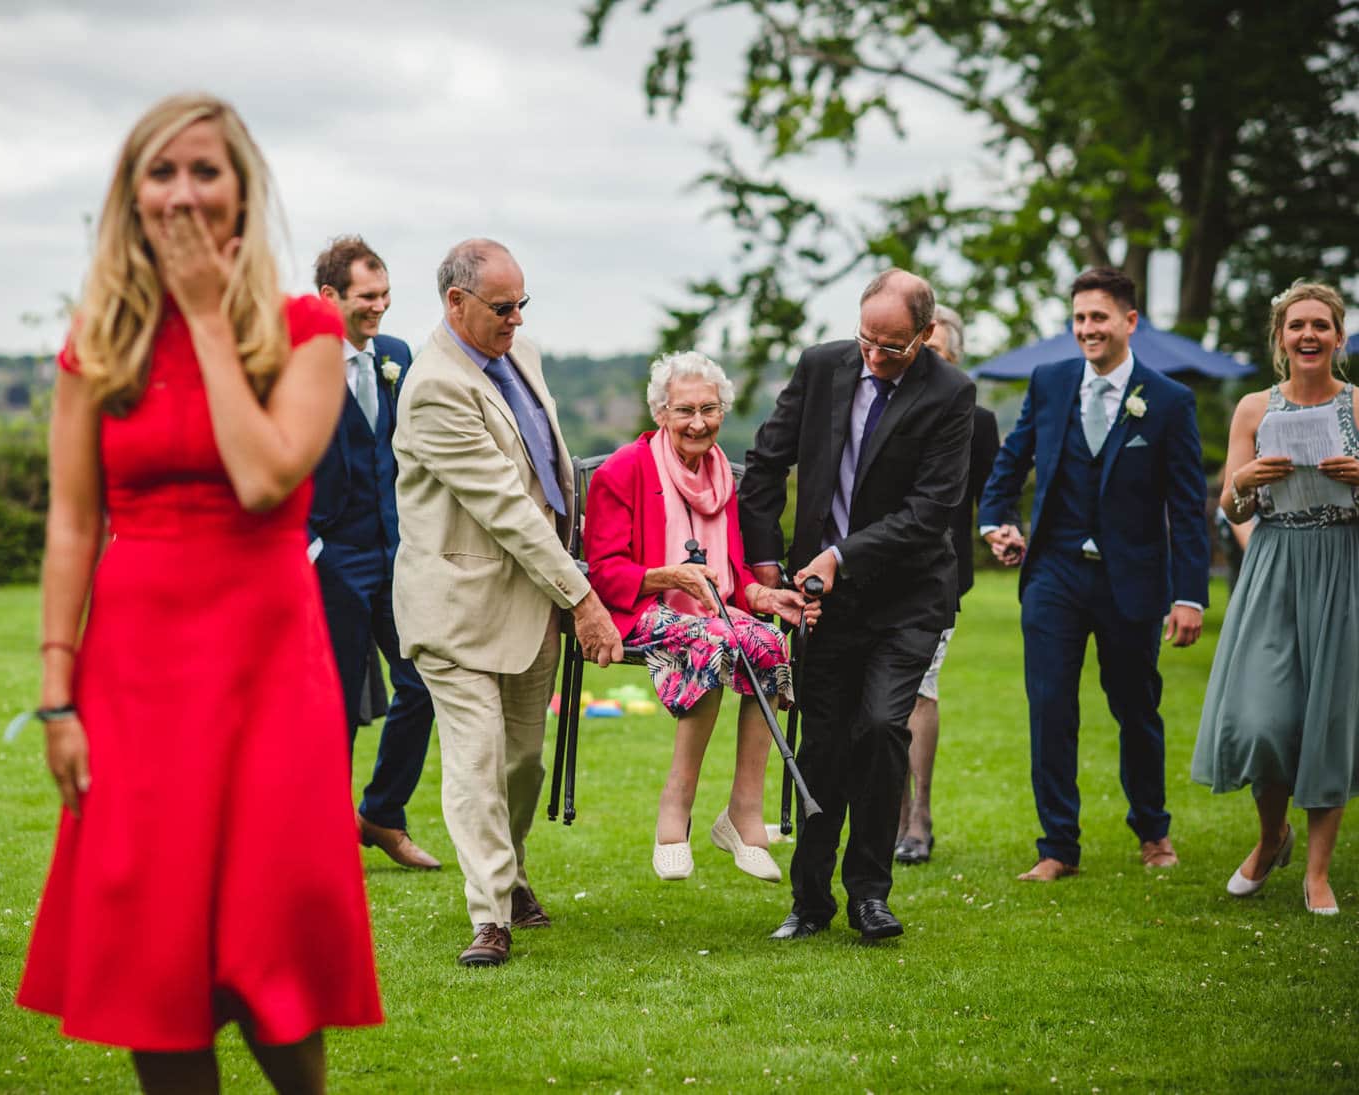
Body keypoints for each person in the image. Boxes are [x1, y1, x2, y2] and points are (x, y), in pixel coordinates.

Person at [15, 94, 382, 1093]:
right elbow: (70, 523)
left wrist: (210, 318)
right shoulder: (100, 337)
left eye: (204, 171)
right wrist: (56, 693)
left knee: (265, 932)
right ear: (131, 197)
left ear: (241, 191)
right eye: (160, 172)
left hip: (266, 658)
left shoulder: (304, 330)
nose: (182, 193)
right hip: (134, 666)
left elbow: (266, 476)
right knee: (152, 937)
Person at [391, 238, 621, 967]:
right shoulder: (432, 386)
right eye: (502, 307)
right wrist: (582, 594)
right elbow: (506, 506)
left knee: (523, 763)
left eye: (523, 303)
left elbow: (552, 474)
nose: (517, 318)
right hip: (454, 605)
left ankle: (514, 869)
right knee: (478, 758)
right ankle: (490, 914)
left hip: (529, 600)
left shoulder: (522, 355)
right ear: (455, 303)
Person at [741, 269, 974, 942]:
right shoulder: (821, 367)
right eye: (867, 339)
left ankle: (871, 892)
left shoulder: (951, 393)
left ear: (927, 334)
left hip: (907, 598)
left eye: (893, 346)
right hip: (821, 604)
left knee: (879, 728)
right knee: (822, 744)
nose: (875, 356)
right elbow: (763, 465)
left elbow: (930, 511)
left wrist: (840, 558)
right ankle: (810, 900)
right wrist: (766, 568)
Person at [980, 267, 1209, 882]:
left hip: (1131, 580)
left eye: (1099, 317)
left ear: (1129, 321)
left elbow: (1188, 508)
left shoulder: (1167, 400)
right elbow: (1012, 457)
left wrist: (1189, 594)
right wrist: (994, 520)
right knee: (1050, 708)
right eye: (1079, 318)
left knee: (1137, 708)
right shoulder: (1051, 382)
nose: (1088, 329)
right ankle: (1057, 846)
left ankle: (1153, 831)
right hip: (1053, 571)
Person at [583, 351, 812, 883]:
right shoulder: (623, 471)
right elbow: (605, 574)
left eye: (709, 409)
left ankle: (742, 813)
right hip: (641, 610)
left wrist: (763, 597)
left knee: (770, 645)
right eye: (684, 410)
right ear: (660, 413)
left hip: (709, 611)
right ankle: (675, 810)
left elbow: (730, 577)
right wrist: (669, 577)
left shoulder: (724, 480)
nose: (697, 422)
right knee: (713, 642)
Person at [1193, 280, 1359, 916]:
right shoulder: (1253, 409)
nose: (1308, 335)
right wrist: (1244, 478)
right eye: (1297, 326)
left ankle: (1318, 874)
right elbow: (1231, 507)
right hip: (1272, 564)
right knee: (1262, 719)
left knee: (1328, 717)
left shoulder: (1357, 407)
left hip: (1341, 565)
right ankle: (1272, 837)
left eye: (1321, 325)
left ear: (1338, 337)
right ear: (1281, 338)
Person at [309, 235, 440, 871]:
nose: (379, 308)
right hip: (329, 553)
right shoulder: (299, 362)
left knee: (424, 680)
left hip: (397, 552)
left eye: (385, 295)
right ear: (328, 296)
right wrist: (306, 545)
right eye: (367, 297)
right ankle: (325, 831)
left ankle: (382, 812)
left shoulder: (395, 356)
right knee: (333, 702)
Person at [894, 305, 1000, 866]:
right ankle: (890, 812)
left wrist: (999, 532)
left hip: (938, 576)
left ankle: (918, 818)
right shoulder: (878, 409)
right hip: (873, 571)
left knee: (920, 688)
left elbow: (989, 495)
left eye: (933, 356)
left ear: (953, 359)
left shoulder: (977, 423)